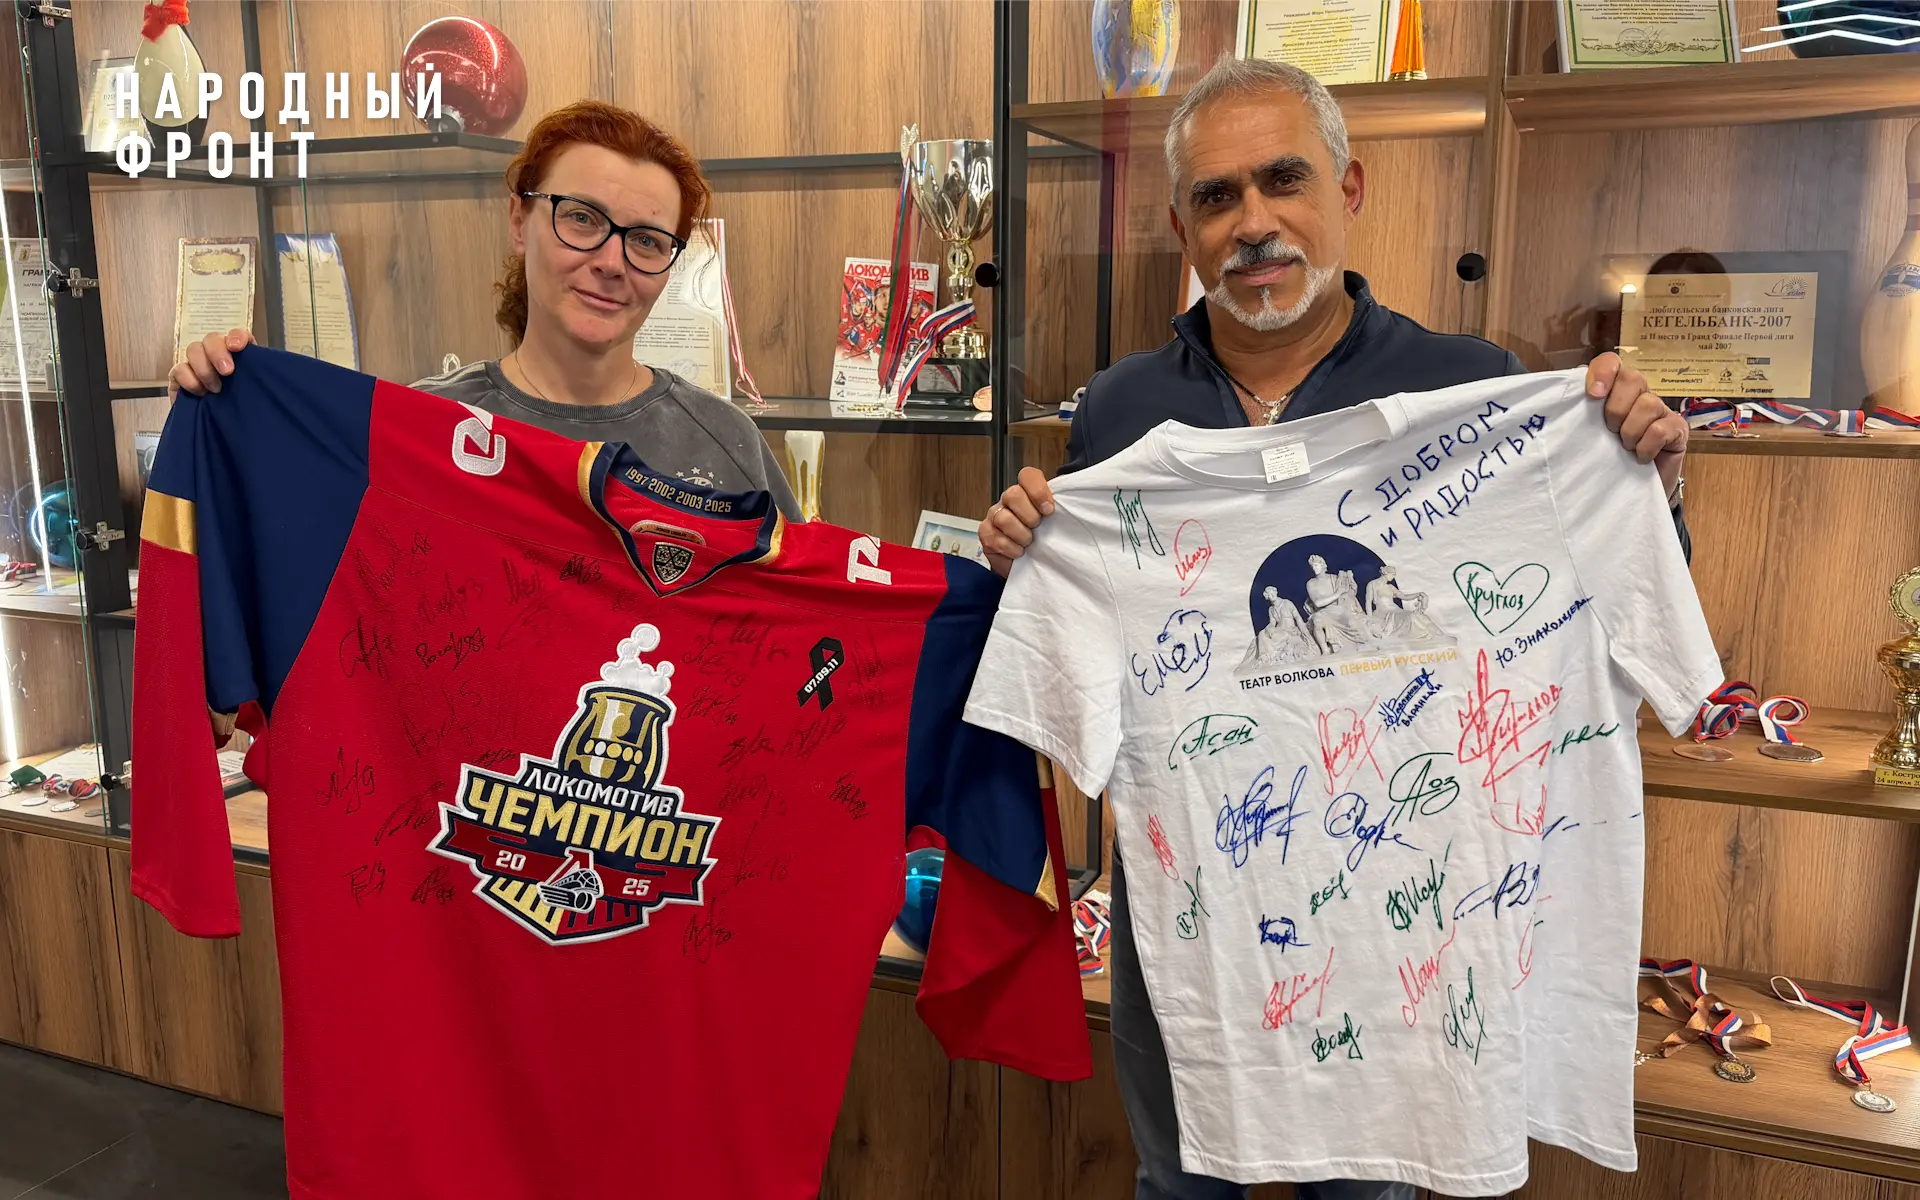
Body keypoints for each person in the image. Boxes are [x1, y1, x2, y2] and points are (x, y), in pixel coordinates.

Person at [977, 56, 1690, 1200]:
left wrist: (1647, 484)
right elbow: (1086, 646)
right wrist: (1027, 559)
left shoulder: (1475, 391)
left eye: (1283, 180)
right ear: (1182, 228)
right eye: (1217, 197)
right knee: (1182, 1182)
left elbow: (1608, 613)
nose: (1253, 222)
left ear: (1348, 189)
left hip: (1401, 923)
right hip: (1198, 916)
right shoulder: (1120, 410)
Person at [171, 100, 801, 522]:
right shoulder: (418, 432)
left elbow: (803, 628)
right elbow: (286, 569)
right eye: (582, 218)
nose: (612, 261)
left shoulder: (724, 442)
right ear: (520, 222)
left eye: (646, 240)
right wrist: (217, 416)